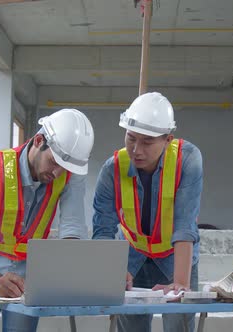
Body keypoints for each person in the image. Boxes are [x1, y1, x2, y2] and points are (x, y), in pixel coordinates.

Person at [0, 109, 94, 332]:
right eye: (53, 162)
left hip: (27, 272)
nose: (58, 173)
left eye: (64, 167)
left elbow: (72, 227)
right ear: (39, 141)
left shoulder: (69, 172)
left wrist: (70, 272)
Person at [92, 92, 203, 332]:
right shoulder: (111, 170)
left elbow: (185, 225)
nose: (136, 150)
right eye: (131, 138)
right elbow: (102, 230)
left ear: (168, 139)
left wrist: (181, 284)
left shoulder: (189, 160)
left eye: (147, 142)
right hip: (131, 259)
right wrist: (113, 272)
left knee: (179, 325)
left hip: (175, 258)